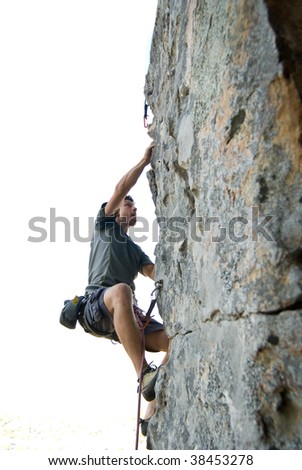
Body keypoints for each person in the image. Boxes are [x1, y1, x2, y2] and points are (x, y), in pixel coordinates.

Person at [78, 141, 169, 434]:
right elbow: (119, 187)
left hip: (124, 315)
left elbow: (157, 273)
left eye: (134, 204)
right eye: (129, 203)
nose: (134, 206)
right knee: (121, 290)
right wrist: (143, 162)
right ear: (116, 211)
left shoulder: (135, 250)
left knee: (175, 340)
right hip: (97, 306)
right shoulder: (104, 225)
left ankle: (149, 414)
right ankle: (143, 374)